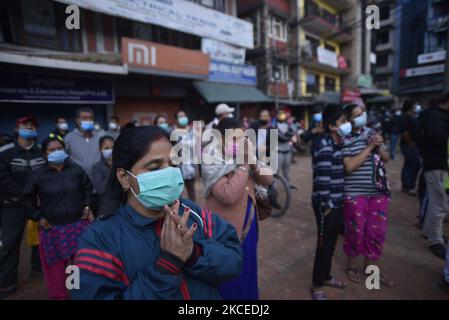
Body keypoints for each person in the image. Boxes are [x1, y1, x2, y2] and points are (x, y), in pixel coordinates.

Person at [71, 126, 242, 299]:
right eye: (154, 168)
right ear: (124, 177)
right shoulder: (101, 238)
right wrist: (167, 265)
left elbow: (234, 259)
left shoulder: (193, 213)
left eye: (173, 164)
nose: (168, 173)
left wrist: (194, 254)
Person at [201, 117, 273, 300]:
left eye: (242, 138)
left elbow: (268, 179)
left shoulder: (246, 154)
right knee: (229, 277)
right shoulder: (211, 157)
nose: (239, 143)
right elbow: (228, 195)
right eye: (234, 139)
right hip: (224, 231)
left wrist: (253, 161)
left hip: (248, 224)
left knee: (247, 270)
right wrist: (244, 165)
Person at [23, 137, 93, 299]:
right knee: (55, 267)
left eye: (59, 148)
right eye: (51, 150)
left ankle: (75, 292)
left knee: (76, 265)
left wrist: (87, 206)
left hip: (77, 224)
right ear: (45, 153)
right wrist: (38, 217)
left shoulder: (75, 169)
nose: (56, 152)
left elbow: (88, 188)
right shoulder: (38, 174)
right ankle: (60, 296)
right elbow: (26, 198)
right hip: (51, 227)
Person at [341, 104, 393, 287]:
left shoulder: (373, 132)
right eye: (357, 115)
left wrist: (378, 147)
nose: (362, 116)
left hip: (378, 192)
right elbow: (349, 167)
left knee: (376, 232)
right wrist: (370, 147)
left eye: (362, 113)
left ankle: (371, 270)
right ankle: (351, 266)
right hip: (355, 192)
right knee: (355, 231)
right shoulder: (344, 139)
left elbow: (386, 158)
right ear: (349, 120)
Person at [0, 116, 46, 299]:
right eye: (25, 125)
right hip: (13, 205)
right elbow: (3, 179)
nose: (30, 127)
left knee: (40, 240)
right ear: (17, 128)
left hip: (37, 204)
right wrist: (25, 194)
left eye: (33, 125)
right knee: (10, 244)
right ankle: (6, 284)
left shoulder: (41, 152)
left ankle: (37, 270)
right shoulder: (5, 152)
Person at [310, 105, 349, 300]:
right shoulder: (326, 147)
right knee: (324, 245)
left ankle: (326, 276)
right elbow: (322, 180)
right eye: (343, 121)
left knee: (331, 243)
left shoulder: (336, 143)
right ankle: (317, 284)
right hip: (327, 205)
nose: (347, 125)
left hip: (335, 203)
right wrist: (327, 207)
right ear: (333, 126)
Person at [421, 93, 449, 259]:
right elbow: (435, 137)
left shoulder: (439, 115)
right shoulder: (435, 116)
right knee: (440, 204)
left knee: (438, 202)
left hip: (441, 165)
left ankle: (430, 232)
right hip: (437, 165)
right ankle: (435, 240)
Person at [64, 107, 102, 181]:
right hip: (78, 180)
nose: (88, 120)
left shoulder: (99, 137)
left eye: (90, 118)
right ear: (77, 120)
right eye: (84, 118)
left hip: (99, 179)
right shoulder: (68, 138)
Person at [399, 100, 422, 195]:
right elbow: (404, 132)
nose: (416, 107)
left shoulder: (412, 116)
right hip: (408, 144)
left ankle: (406, 185)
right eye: (415, 105)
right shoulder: (405, 117)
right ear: (410, 106)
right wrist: (410, 142)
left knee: (408, 165)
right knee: (415, 164)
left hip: (412, 144)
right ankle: (410, 186)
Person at [173, 110, 197, 202]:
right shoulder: (172, 131)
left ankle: (194, 209)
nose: (183, 118)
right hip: (177, 166)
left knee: (191, 190)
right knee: (178, 191)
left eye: (184, 116)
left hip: (190, 165)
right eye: (180, 116)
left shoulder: (192, 131)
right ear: (176, 119)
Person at [91, 136, 115, 213]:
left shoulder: (121, 163)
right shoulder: (96, 167)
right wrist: (112, 169)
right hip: (108, 208)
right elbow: (101, 190)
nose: (110, 150)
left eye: (112, 147)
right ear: (100, 150)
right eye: (106, 148)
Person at [275, 109, 296, 188]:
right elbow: (281, 138)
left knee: (286, 171)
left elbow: (293, 132)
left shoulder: (287, 124)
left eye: (282, 114)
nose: (281, 115)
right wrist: (288, 136)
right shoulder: (275, 125)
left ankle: (287, 185)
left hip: (287, 150)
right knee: (277, 171)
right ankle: (273, 187)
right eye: (280, 114)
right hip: (279, 151)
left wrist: (288, 135)